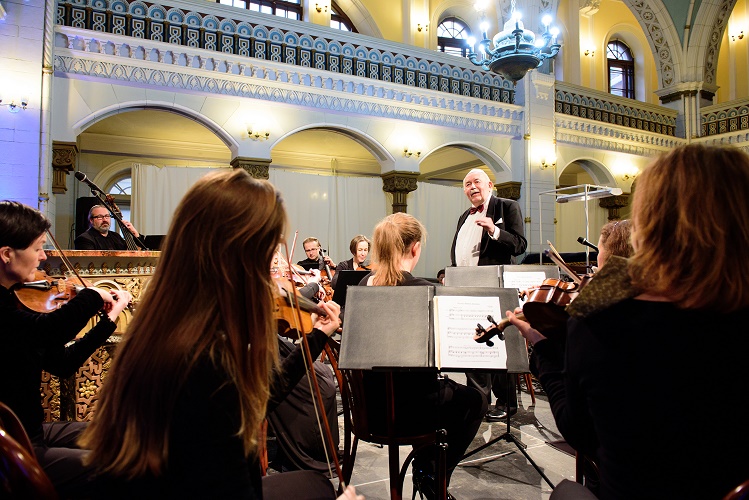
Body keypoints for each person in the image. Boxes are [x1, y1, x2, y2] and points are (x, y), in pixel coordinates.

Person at [79, 170, 362, 500]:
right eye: (265, 254)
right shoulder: (204, 365)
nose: (271, 275)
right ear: (235, 260)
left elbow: (248, 404)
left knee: (314, 484)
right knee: (319, 489)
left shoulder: (174, 324)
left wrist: (316, 337)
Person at [506, 144, 749, 499]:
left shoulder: (602, 320)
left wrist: (543, 349)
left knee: (566, 493)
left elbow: (580, 433)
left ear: (647, 225)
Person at [0, 200, 132, 497]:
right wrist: (93, 294)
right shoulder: (6, 313)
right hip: (14, 446)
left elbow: (63, 363)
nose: (43, 257)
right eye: (37, 248)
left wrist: (109, 320)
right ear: (7, 254)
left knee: (120, 435)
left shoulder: (14, 303)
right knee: (121, 467)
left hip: (32, 430)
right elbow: (50, 330)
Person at [359, 212, 486, 500]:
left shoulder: (364, 284)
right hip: (411, 413)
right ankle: (432, 474)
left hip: (370, 408)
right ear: (415, 248)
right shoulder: (426, 292)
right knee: (474, 401)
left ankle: (427, 467)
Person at [450, 168, 527, 422]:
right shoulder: (464, 216)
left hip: (494, 290)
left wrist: (494, 230)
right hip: (466, 289)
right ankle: (479, 402)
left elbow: (520, 245)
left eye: (476, 182)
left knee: (499, 347)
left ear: (490, 185)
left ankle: (506, 403)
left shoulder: (507, 207)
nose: (472, 187)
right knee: (474, 345)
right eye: (467, 184)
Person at [74, 205, 146, 250]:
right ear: (91, 220)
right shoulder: (84, 239)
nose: (105, 220)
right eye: (100, 217)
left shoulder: (116, 237)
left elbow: (134, 253)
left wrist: (135, 233)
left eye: (107, 216)